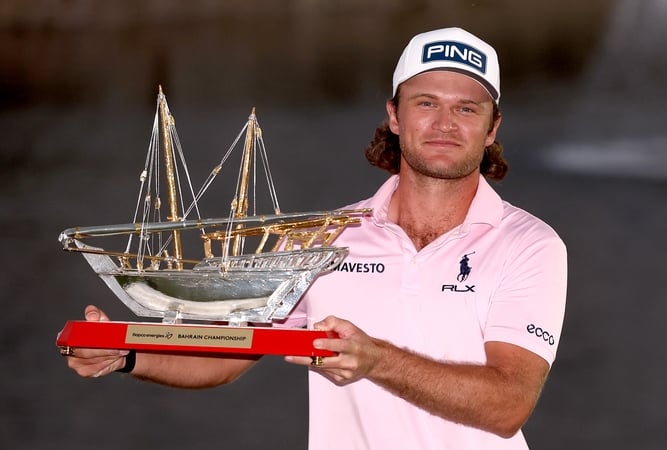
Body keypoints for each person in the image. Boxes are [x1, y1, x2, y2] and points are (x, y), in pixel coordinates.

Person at [63, 27, 568, 449]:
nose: (444, 124)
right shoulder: (320, 237)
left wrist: (376, 360)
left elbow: (508, 405)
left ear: (492, 127)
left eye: (466, 109)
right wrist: (126, 353)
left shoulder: (530, 245)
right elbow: (228, 348)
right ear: (394, 116)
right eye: (426, 103)